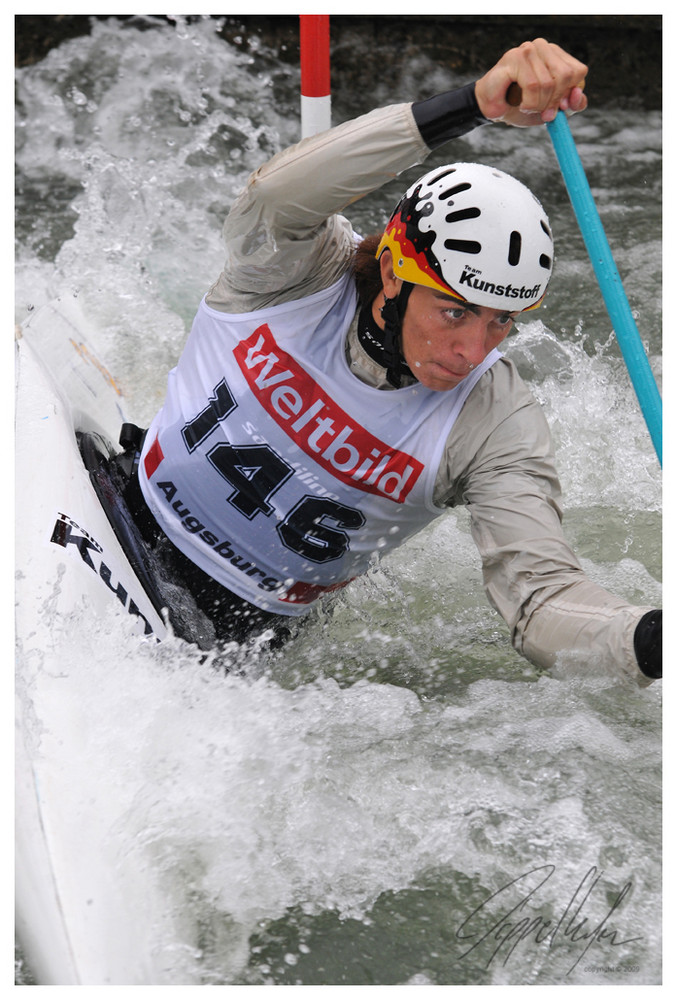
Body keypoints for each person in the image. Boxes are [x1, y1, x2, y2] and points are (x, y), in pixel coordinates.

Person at [118, 38, 661, 683]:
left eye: (501, 323)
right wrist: (471, 105)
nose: (472, 350)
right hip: (126, 513)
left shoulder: (494, 422)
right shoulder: (296, 276)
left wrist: (652, 639)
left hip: (247, 640)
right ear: (394, 275)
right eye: (454, 312)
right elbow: (275, 193)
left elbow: (540, 604)